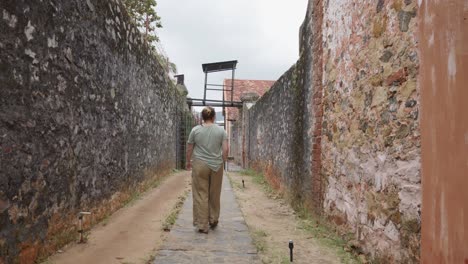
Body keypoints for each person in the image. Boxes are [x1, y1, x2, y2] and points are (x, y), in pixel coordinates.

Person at [186, 106, 228, 234]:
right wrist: (223, 162)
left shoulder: (195, 130)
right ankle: (213, 219)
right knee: (214, 193)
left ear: (202, 118)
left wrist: (189, 162)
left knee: (200, 194)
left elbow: (189, 148)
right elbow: (225, 150)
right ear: (214, 117)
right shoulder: (221, 131)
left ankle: (202, 225)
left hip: (200, 165)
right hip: (216, 166)